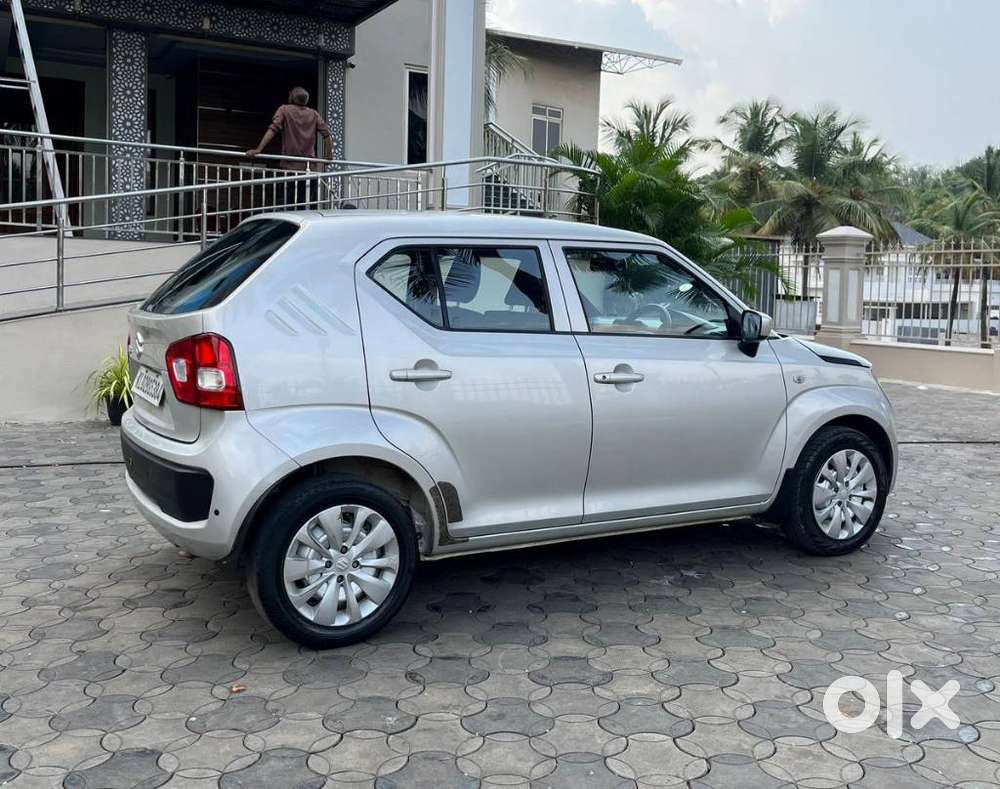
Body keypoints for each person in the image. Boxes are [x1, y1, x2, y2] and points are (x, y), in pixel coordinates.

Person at [247, 86, 332, 207]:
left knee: (289, 204)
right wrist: (329, 155)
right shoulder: (314, 114)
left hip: (290, 167)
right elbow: (327, 134)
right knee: (306, 205)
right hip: (310, 168)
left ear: (291, 96)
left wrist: (259, 149)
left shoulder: (284, 110)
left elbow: (273, 129)